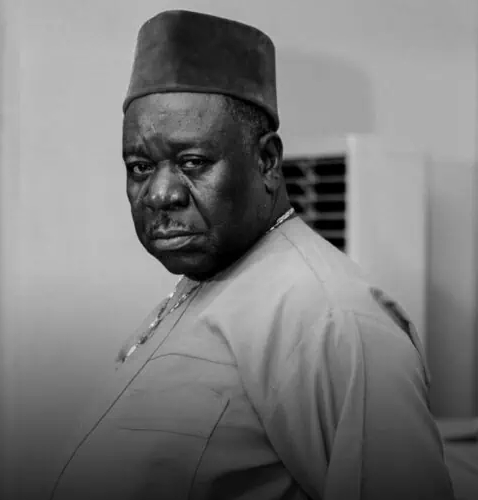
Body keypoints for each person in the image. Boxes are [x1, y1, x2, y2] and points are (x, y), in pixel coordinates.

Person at [50, 10, 455, 500]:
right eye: (139, 166)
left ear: (266, 161)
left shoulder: (332, 318)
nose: (159, 194)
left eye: (192, 162)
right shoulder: (203, 283)